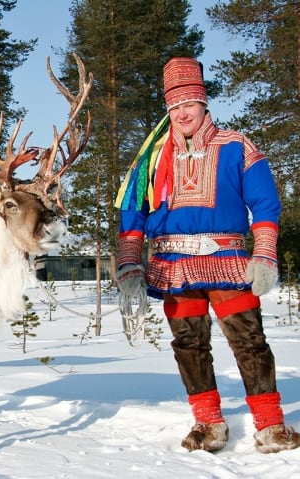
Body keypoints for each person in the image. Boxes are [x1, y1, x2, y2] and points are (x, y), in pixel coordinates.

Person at [114, 57, 300, 454]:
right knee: (188, 344)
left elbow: (265, 203)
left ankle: (270, 426)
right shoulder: (150, 159)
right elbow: (132, 212)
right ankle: (208, 422)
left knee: (249, 341)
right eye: (174, 107)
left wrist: (265, 254)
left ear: (204, 103)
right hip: (173, 267)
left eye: (189, 104)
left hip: (227, 262)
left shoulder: (236, 146)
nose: (182, 113)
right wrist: (130, 261)